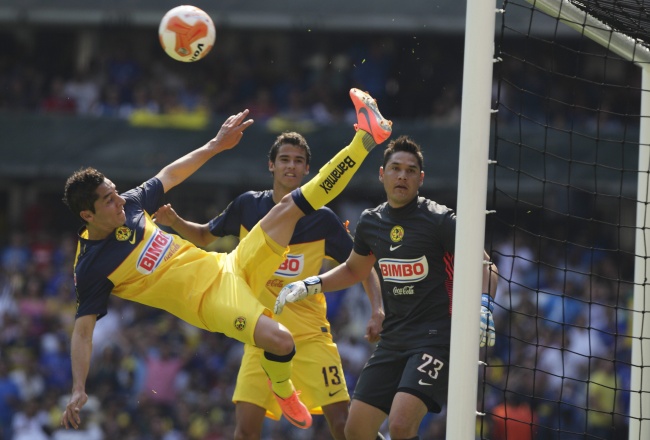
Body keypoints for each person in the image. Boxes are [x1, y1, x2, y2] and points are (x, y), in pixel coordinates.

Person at [59, 88, 392, 431]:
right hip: (212, 301)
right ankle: (283, 389)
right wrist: (78, 388)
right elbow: (82, 333)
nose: (119, 200)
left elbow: (170, 175)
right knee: (281, 342)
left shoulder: (128, 206)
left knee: (293, 205)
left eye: (115, 192)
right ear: (88, 215)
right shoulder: (91, 266)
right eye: (108, 200)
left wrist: (215, 144)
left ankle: (366, 138)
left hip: (228, 264)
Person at [154, 130, 385, 439]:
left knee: (343, 425)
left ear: (307, 169)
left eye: (298, 161)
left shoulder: (324, 220)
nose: (291, 166)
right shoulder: (248, 206)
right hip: (261, 334)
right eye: (284, 159)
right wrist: (175, 222)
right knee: (245, 432)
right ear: (271, 165)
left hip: (310, 337)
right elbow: (204, 236)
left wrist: (377, 310)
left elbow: (363, 266)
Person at [275, 135, 499, 440]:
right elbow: (355, 269)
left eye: (410, 170)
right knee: (355, 431)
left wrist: (485, 304)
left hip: (435, 340)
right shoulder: (371, 222)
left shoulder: (440, 220)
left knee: (400, 425)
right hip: (393, 340)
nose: (402, 176)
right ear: (382, 174)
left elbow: (486, 266)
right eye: (395, 168)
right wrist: (311, 284)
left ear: (421, 179)